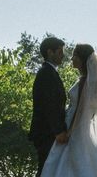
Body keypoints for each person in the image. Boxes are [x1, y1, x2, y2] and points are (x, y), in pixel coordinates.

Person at [40, 44, 97, 177]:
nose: (71, 58)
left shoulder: (85, 82)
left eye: (75, 56)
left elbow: (79, 110)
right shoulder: (88, 81)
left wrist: (69, 131)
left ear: (81, 59)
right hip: (83, 126)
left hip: (75, 127)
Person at [28, 37, 69, 176]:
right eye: (59, 52)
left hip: (48, 132)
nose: (62, 55)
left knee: (49, 171)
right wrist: (58, 131)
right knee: (46, 170)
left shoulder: (50, 72)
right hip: (47, 133)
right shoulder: (46, 74)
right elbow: (49, 105)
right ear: (50, 52)